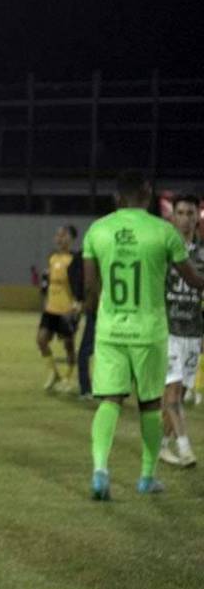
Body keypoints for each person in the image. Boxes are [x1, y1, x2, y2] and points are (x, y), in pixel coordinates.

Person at [83, 171, 204, 500]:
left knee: (109, 401)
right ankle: (147, 477)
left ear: (117, 198)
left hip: (110, 330)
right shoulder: (163, 232)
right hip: (150, 331)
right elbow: (193, 280)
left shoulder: (97, 231)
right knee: (151, 404)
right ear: (148, 195)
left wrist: (94, 311)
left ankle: (99, 472)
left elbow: (90, 289)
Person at [160, 193, 203, 467]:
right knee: (173, 393)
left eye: (191, 213)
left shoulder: (202, 254)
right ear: (172, 217)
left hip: (193, 334)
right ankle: (185, 448)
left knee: (181, 393)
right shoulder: (163, 254)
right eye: (181, 213)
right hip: (168, 332)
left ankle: (162, 445)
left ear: (198, 218)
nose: (186, 219)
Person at [37, 225, 84, 392]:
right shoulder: (53, 258)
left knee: (69, 346)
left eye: (63, 235)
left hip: (67, 309)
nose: (59, 238)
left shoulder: (75, 259)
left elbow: (80, 282)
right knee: (41, 340)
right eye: (57, 235)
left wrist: (78, 304)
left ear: (71, 238)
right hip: (51, 308)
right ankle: (53, 373)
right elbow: (48, 282)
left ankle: (68, 377)